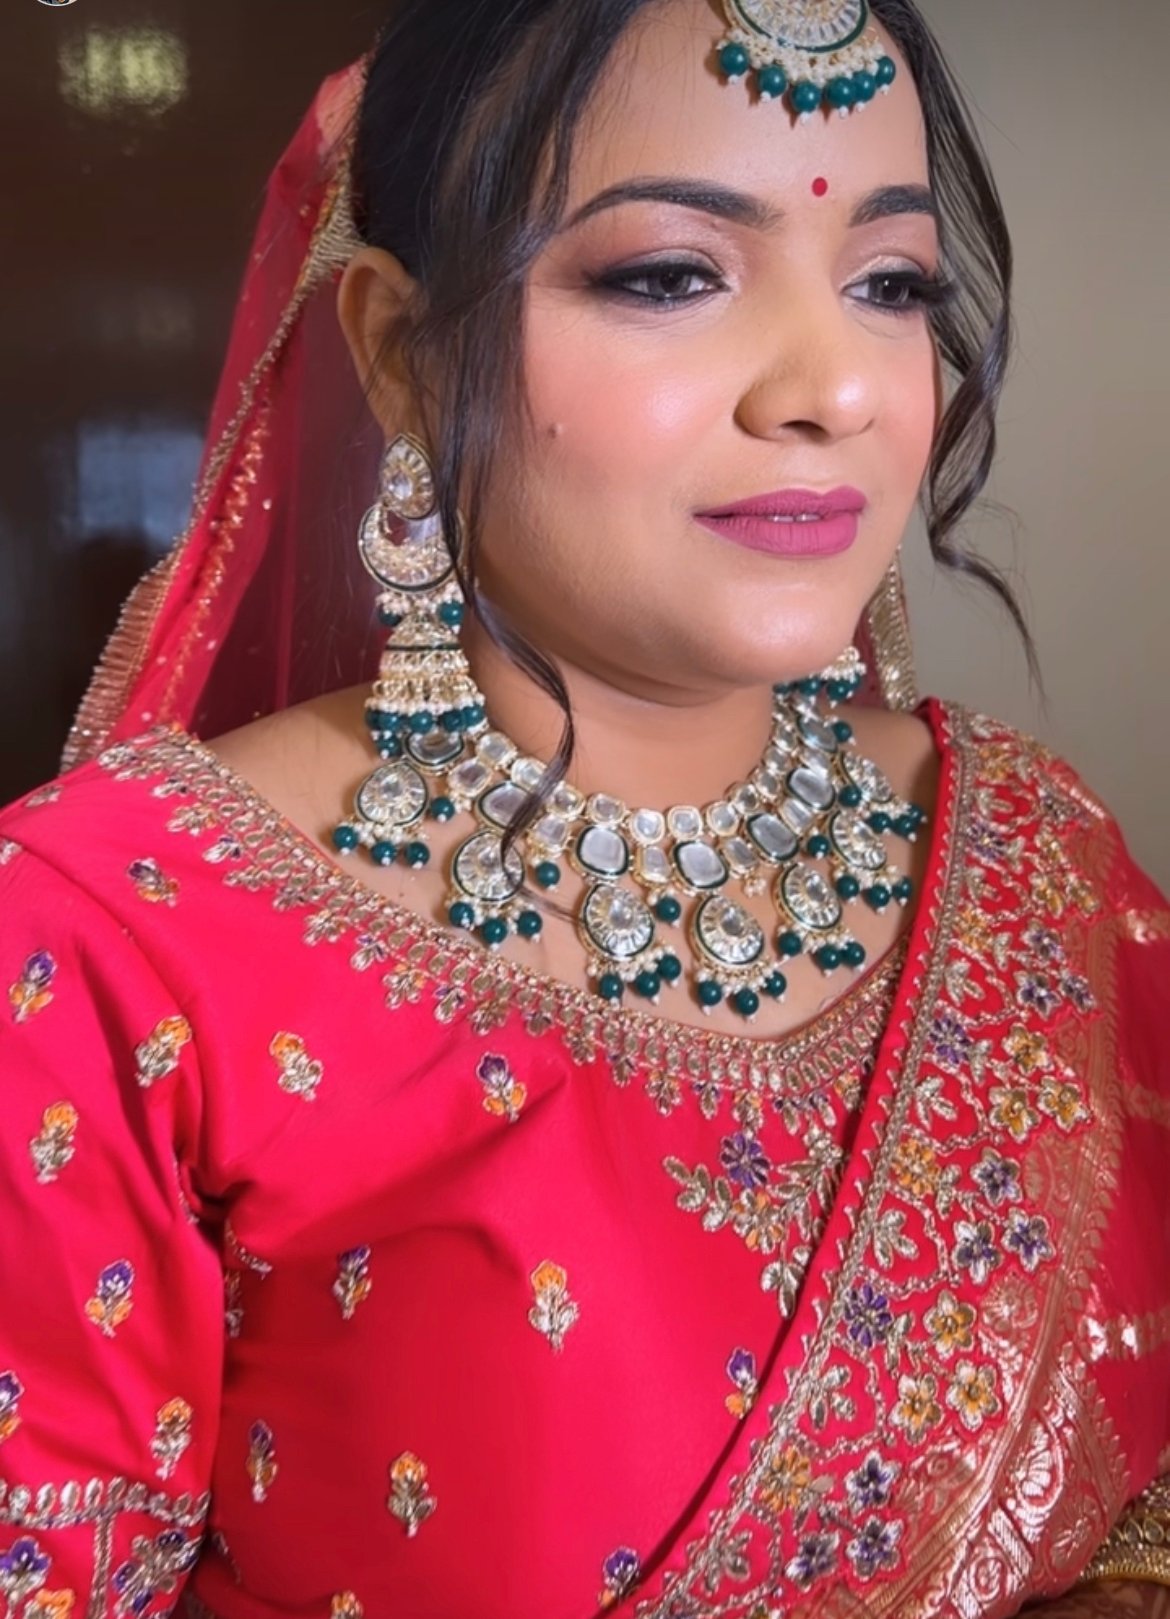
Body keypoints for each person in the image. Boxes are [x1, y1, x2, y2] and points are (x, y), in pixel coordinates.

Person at [1, 1, 1167, 1615]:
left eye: (891, 284)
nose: (834, 385)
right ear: (401, 355)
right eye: (668, 275)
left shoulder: (1038, 858)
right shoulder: (112, 933)